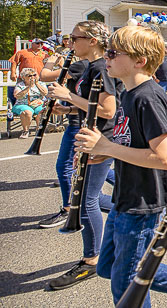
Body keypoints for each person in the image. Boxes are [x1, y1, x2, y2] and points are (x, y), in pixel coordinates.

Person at [73, 25, 167, 307]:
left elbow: (165, 158)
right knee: (109, 266)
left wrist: (107, 147)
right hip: (125, 197)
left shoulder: (147, 97)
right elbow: (133, 143)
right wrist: (103, 153)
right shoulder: (128, 93)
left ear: (139, 60)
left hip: (143, 201)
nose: (107, 57)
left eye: (114, 52)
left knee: (125, 285)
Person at [44, 21, 119, 290]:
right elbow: (91, 105)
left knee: (87, 200)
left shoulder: (101, 67)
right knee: (91, 195)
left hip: (101, 140)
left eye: (75, 37)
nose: (70, 42)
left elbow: (108, 111)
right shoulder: (91, 67)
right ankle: (129, 210)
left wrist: (68, 96)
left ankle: (92, 259)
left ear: (92, 41)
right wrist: (67, 109)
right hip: (89, 136)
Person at [38, 48, 89, 228]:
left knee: (65, 166)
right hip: (77, 117)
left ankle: (69, 209)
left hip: (77, 123)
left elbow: (44, 75)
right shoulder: (84, 66)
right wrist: (66, 109)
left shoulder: (80, 65)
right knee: (92, 167)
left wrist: (52, 59)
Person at [12, 68, 48, 138]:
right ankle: (25, 131)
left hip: (37, 104)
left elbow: (45, 93)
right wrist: (28, 87)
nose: (32, 77)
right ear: (23, 77)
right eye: (29, 76)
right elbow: (17, 96)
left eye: (34, 75)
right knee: (27, 112)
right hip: (22, 104)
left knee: (42, 110)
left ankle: (39, 129)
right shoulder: (20, 85)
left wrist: (37, 84)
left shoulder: (41, 84)